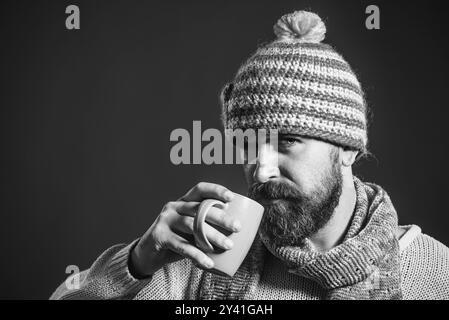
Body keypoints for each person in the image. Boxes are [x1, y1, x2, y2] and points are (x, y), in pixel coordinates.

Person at [50, 10, 449, 300]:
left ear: (346, 149)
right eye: (247, 144)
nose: (261, 167)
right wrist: (137, 261)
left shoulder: (432, 274)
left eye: (287, 140)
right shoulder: (210, 258)